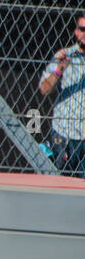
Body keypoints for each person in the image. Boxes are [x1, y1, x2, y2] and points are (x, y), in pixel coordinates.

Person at [39, 11, 85, 177]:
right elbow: (44, 89)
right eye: (83, 29)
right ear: (76, 32)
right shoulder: (64, 56)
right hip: (64, 134)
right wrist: (59, 70)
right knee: (60, 182)